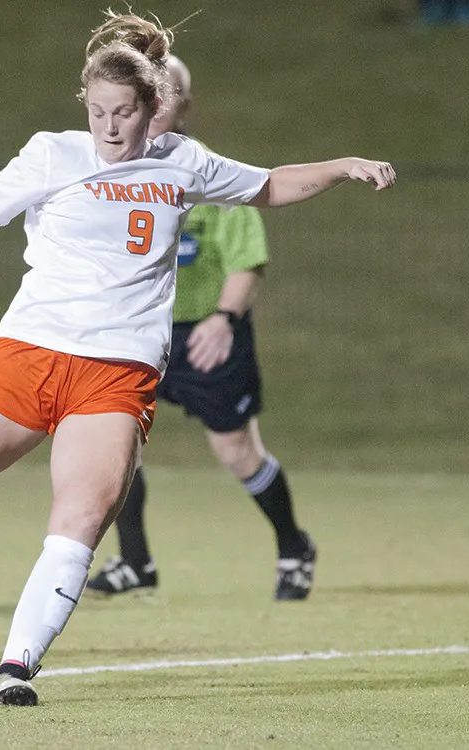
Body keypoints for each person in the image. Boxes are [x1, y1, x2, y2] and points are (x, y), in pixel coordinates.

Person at [0, 10, 395, 707]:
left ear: (152, 108)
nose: (109, 127)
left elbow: (271, 185)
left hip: (116, 374)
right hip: (29, 353)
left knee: (81, 516)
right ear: (85, 104)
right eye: (98, 111)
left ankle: (14, 669)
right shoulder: (50, 154)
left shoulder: (181, 162)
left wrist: (343, 165)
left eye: (124, 112)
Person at [85, 56, 315, 602]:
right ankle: (135, 562)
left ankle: (293, 547)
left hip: (204, 335)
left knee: (236, 451)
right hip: (137, 331)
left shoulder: (206, 170)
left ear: (184, 104)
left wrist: (224, 319)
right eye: (151, 91)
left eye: (172, 92)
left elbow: (247, 259)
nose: (159, 100)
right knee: (114, 448)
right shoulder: (109, 168)